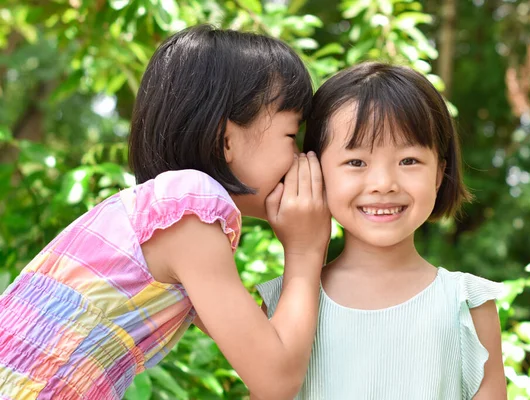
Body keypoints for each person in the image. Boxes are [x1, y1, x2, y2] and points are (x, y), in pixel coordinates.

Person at [0, 25, 330, 400]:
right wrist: (305, 249)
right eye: (292, 135)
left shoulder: (163, 215)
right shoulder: (189, 206)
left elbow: (271, 343)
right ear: (226, 140)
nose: (303, 158)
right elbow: (275, 380)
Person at [257, 62, 507, 399]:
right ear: (314, 170)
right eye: (356, 162)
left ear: (439, 173)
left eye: (408, 161)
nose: (383, 184)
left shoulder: (467, 305)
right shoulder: (282, 305)